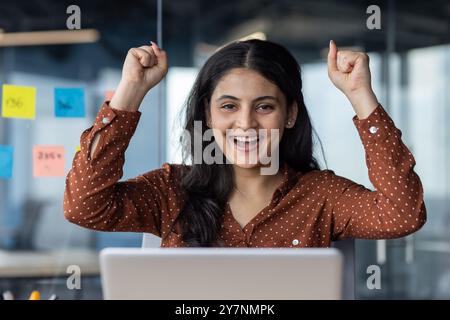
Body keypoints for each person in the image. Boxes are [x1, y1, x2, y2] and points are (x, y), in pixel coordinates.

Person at [63, 39, 426, 247]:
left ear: (290, 115)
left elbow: (403, 214)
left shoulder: (321, 196)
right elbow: (83, 206)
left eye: (264, 107)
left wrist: (361, 96)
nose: (246, 123)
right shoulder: (170, 190)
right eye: (229, 106)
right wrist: (129, 94)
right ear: (208, 115)